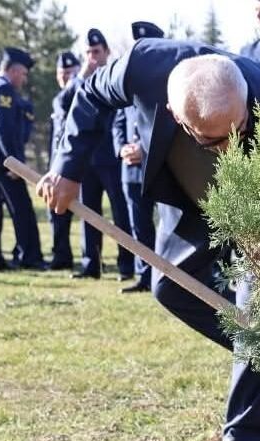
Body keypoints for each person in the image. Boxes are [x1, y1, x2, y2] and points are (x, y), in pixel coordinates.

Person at [39, 40, 260, 441]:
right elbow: (90, 94)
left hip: (258, 207)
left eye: (238, 131)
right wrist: (68, 167)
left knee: (258, 312)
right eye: (215, 141)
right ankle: (259, 353)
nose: (228, 149)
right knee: (169, 287)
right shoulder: (141, 67)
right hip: (189, 198)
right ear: (177, 115)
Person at [69, 28, 135, 281]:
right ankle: (91, 264)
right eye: (88, 53)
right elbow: (65, 104)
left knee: (120, 213)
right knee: (89, 214)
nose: (93, 57)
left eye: (96, 52)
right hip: (88, 159)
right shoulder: (81, 81)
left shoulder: (115, 75)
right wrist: (81, 75)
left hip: (112, 158)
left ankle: (127, 265)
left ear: (106, 52)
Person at [0, 47, 44, 271]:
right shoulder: (4, 89)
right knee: (21, 209)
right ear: (12, 70)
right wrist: (14, 163)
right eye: (23, 74)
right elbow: (4, 128)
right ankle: (27, 256)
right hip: (0, 161)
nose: (24, 79)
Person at [113, 19, 168, 294]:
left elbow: (170, 126)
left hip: (158, 167)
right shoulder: (126, 81)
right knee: (139, 226)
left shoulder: (168, 81)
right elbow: (118, 121)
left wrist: (145, 151)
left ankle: (167, 276)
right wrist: (121, 146)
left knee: (168, 225)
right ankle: (144, 275)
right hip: (131, 168)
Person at [47, 51, 82, 270]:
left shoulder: (80, 93)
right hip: (57, 162)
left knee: (86, 213)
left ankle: (92, 259)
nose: (65, 76)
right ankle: (61, 256)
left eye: (69, 72)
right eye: (61, 73)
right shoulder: (57, 99)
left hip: (78, 164)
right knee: (56, 212)